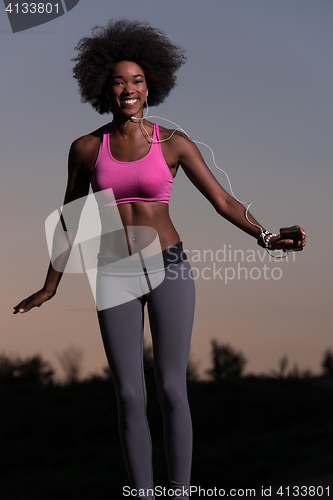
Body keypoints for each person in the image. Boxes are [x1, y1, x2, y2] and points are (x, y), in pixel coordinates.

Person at [13, 19, 306, 500]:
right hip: (115, 275)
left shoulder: (173, 143)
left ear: (151, 89)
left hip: (169, 267)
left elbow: (224, 201)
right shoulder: (87, 147)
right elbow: (70, 216)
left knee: (172, 390)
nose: (128, 89)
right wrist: (51, 284)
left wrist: (267, 236)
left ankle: (180, 493)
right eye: (118, 81)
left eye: (137, 81)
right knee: (129, 396)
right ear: (102, 89)